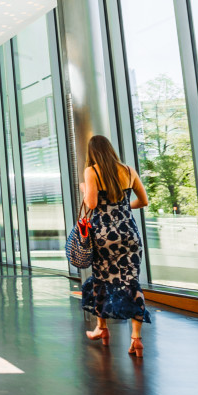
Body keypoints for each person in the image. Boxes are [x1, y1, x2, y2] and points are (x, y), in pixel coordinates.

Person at [77, 135, 152, 358]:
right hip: (129, 233)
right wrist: (121, 208)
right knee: (131, 282)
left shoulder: (92, 171)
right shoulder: (128, 170)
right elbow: (143, 201)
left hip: (104, 236)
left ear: (93, 152)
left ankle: (102, 328)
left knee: (101, 280)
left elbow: (91, 204)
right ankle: (136, 338)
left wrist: (84, 189)